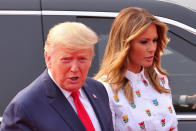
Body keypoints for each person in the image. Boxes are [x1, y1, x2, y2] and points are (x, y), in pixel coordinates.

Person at [0, 22, 114, 131]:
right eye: (66, 59)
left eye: (82, 59)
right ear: (48, 58)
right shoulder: (24, 108)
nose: (74, 68)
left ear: (91, 59)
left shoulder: (98, 90)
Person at [94, 7, 178, 131]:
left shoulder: (160, 78)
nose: (152, 48)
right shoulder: (105, 88)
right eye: (144, 42)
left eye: (154, 40)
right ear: (125, 45)